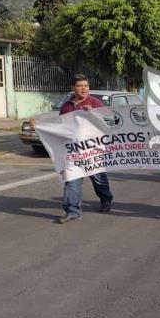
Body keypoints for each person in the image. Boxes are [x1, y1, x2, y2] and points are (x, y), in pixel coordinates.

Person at [55, 74, 113, 224]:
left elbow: (108, 124)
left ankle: (106, 199)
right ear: (73, 88)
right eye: (80, 86)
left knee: (99, 179)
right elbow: (60, 127)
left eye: (86, 86)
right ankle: (73, 211)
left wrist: (94, 113)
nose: (83, 89)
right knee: (72, 181)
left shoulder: (96, 103)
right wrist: (39, 126)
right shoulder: (66, 106)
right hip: (74, 151)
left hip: (93, 150)